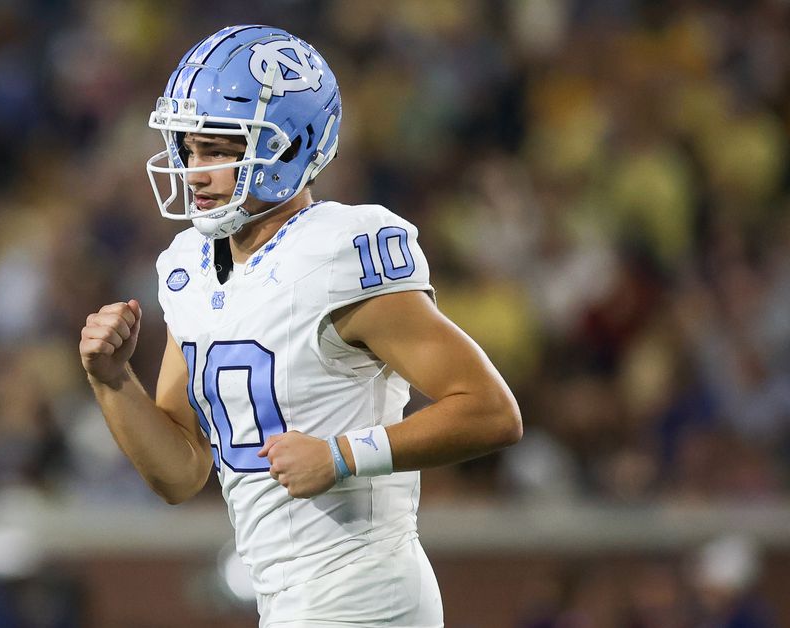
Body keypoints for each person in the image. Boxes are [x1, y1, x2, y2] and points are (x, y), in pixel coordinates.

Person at [79, 25, 522, 627]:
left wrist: (342, 455)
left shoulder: (339, 253)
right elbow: (180, 472)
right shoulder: (188, 267)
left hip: (365, 589)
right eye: (189, 148)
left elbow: (491, 410)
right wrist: (111, 381)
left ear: (289, 148)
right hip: (284, 595)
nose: (196, 170)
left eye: (219, 150)